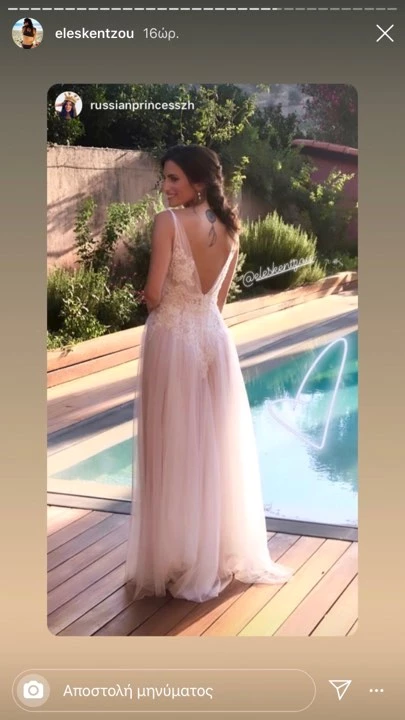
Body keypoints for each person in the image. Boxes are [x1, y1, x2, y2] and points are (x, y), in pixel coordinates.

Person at [125, 144, 292, 603]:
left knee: (172, 446)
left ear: (198, 182)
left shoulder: (168, 222)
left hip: (172, 340)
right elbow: (216, 303)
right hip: (214, 340)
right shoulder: (232, 229)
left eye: (174, 178)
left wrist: (147, 295)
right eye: (164, 178)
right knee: (213, 448)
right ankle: (213, 552)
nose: (165, 187)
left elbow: (155, 294)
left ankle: (176, 555)